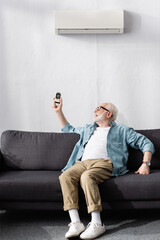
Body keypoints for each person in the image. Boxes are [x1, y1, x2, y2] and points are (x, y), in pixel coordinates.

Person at [52, 97, 155, 240]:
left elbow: (145, 143)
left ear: (109, 114)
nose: (95, 110)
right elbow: (68, 129)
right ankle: (76, 222)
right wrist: (59, 112)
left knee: (87, 177)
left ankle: (97, 223)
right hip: (82, 163)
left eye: (99, 108)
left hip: (104, 162)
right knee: (65, 176)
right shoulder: (88, 128)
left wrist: (146, 163)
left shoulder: (121, 130)